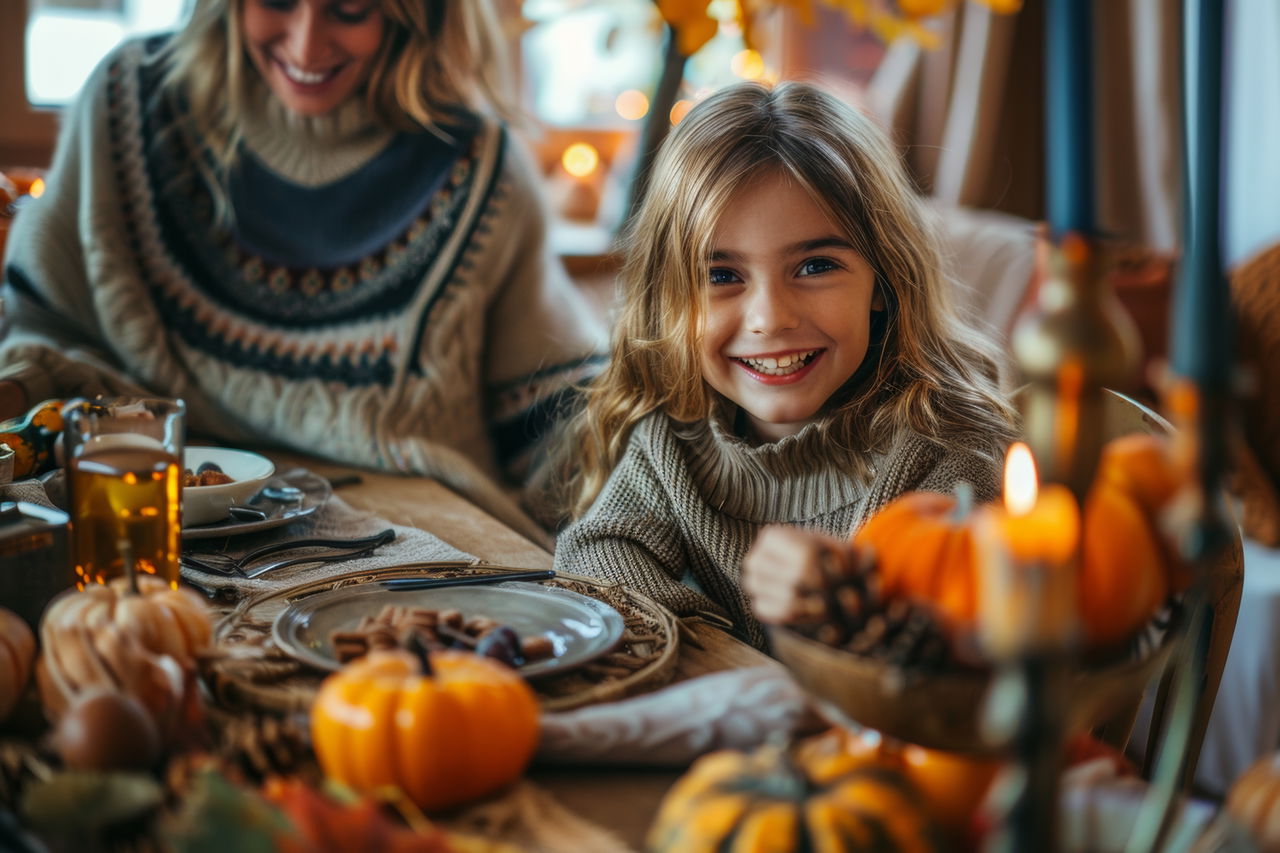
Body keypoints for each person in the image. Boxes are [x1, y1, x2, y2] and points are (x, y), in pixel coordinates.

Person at [0, 0, 604, 541]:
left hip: (430, 532)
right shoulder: (126, 102)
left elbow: (554, 409)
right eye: (277, 1)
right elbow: (42, 330)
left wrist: (637, 438)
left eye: (349, 9)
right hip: (166, 516)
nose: (307, 46)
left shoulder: (480, 165)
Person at [552, 81, 1019, 649]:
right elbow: (597, 550)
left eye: (815, 266)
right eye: (721, 276)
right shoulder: (674, 439)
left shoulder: (947, 451)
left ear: (883, 281)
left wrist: (839, 605)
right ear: (670, 300)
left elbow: (959, 644)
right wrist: (710, 643)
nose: (770, 318)